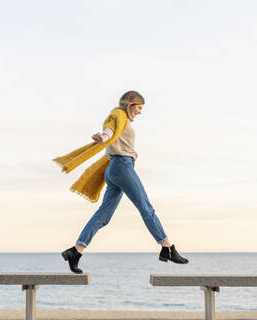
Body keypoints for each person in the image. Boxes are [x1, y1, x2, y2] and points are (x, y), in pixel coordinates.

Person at [55, 91, 188, 274]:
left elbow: (111, 129)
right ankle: (168, 247)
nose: (140, 112)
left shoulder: (121, 118)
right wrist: (103, 137)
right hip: (122, 166)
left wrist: (105, 137)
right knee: (146, 208)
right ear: (130, 104)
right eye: (139, 107)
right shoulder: (118, 114)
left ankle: (75, 251)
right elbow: (109, 130)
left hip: (115, 169)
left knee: (103, 215)